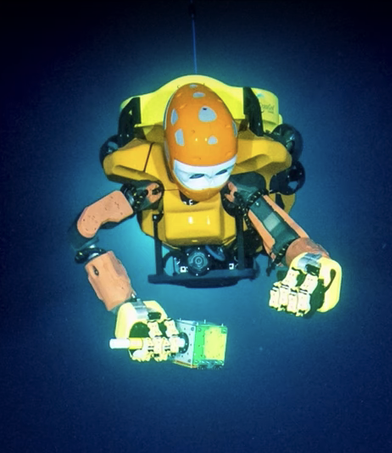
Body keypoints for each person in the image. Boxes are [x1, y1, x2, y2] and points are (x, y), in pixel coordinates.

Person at [68, 76, 342, 368]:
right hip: (215, 236)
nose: (209, 183)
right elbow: (83, 231)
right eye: (195, 175)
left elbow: (279, 230)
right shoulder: (151, 185)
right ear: (170, 159)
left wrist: (309, 261)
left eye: (221, 171)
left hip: (241, 238)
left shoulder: (240, 185)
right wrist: (124, 306)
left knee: (247, 194)